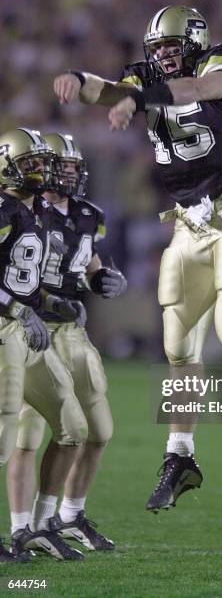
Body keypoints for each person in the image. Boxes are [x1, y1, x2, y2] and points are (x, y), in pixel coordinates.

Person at [54, 5, 222, 512]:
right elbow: (110, 90)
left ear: (194, 42)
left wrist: (135, 98)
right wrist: (83, 80)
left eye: (171, 46)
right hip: (186, 220)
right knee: (179, 349)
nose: (163, 55)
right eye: (157, 49)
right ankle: (179, 455)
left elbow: (200, 91)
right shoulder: (143, 78)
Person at [8, 132, 127, 557]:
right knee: (25, 435)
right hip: (33, 326)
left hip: (69, 329)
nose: (71, 174)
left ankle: (67, 516)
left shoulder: (87, 214)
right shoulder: (27, 209)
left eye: (76, 167)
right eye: (65, 166)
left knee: (96, 431)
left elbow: (88, 260)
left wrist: (102, 279)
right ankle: (26, 526)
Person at [0, 128, 88, 561]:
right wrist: (17, 310)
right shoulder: (3, 208)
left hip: (27, 330)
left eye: (42, 162)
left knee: (74, 428)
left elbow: (27, 282)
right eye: (31, 162)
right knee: (3, 436)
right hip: (3, 330)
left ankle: (34, 527)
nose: (42, 169)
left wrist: (55, 302)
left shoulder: (35, 211)